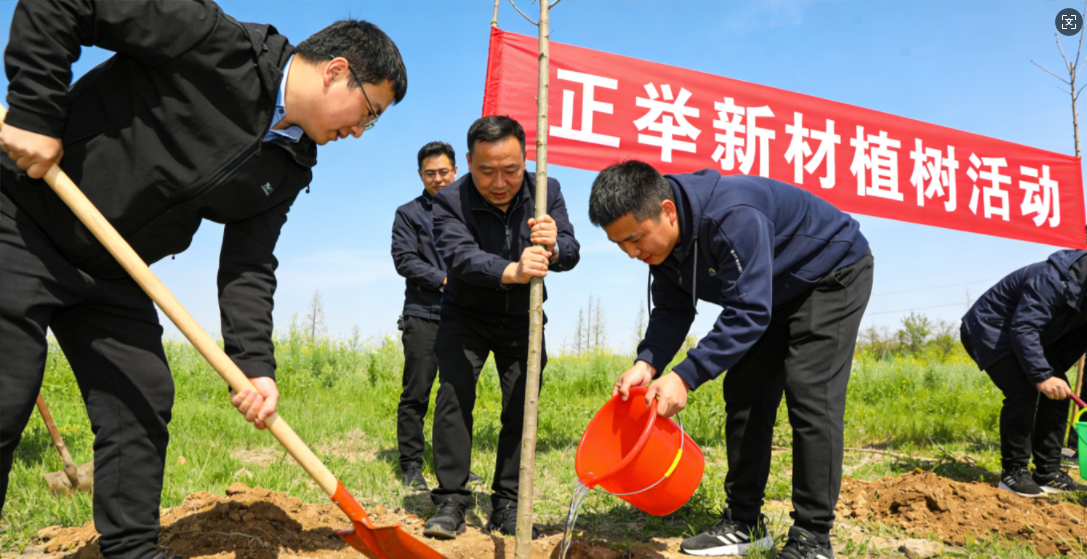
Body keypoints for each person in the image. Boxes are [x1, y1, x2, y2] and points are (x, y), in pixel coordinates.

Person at [0, 2, 407, 558]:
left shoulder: (288, 163)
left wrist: (255, 367)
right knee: (5, 392)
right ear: (337, 70)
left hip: (118, 268)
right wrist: (34, 112)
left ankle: (133, 551)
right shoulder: (216, 43)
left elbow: (249, 265)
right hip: (26, 220)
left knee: (142, 397)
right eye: (370, 111)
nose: (361, 131)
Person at [592, 162, 872, 559]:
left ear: (668, 211)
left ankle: (812, 539)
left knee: (810, 395)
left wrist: (685, 377)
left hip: (829, 273)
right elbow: (673, 310)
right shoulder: (664, 248)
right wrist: (648, 364)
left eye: (636, 239)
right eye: (622, 245)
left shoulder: (731, 214)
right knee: (746, 392)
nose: (633, 253)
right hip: (769, 290)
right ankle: (744, 523)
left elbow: (750, 312)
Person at [422, 115, 580, 540]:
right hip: (465, 315)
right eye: (487, 170)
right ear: (469, 162)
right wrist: (511, 269)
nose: (499, 182)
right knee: (454, 399)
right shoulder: (449, 200)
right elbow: (458, 256)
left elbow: (571, 249)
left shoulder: (547, 191)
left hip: (523, 318)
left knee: (521, 407)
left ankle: (508, 504)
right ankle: (452, 500)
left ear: (526, 160)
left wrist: (555, 243)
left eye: (511, 170)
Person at [961, 249, 1087, 497]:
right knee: (1024, 390)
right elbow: (1024, 326)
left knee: (1060, 392)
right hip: (992, 326)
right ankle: (1013, 473)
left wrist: (1055, 374)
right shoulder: (1051, 278)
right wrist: (1041, 375)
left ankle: (1047, 471)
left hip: (1034, 336)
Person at [390, 141, 479, 491]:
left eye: (444, 172)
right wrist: (444, 280)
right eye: (430, 174)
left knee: (456, 394)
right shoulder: (408, 213)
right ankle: (411, 465)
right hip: (423, 314)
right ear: (420, 175)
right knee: (417, 392)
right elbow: (404, 260)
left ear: (456, 171)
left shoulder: (472, 211)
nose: (438, 179)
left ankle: (454, 467)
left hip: (464, 317)